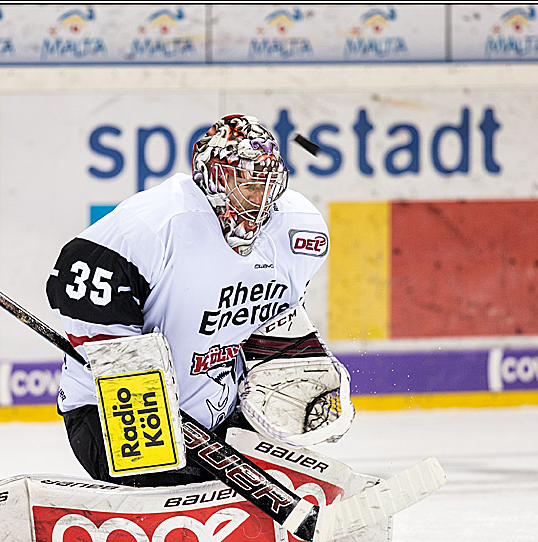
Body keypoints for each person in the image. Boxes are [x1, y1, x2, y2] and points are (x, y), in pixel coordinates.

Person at [45, 113, 331, 488]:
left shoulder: (301, 229)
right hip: (109, 419)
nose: (255, 193)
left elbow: (275, 328)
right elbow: (78, 287)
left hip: (220, 419)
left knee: (281, 481)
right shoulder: (156, 222)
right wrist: (148, 409)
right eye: (241, 178)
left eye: (264, 179)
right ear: (210, 175)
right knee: (174, 481)